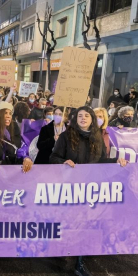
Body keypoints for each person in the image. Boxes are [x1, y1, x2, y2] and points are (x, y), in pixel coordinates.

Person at [49, 106, 127, 276]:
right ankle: (61, 253)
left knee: (85, 224)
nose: (83, 118)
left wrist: (116, 161)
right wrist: (63, 162)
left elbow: (100, 160)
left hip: (88, 189)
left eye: (87, 116)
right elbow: (53, 157)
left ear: (92, 119)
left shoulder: (96, 138)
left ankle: (79, 262)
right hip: (69, 188)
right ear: (75, 119)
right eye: (80, 116)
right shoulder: (66, 136)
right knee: (68, 222)